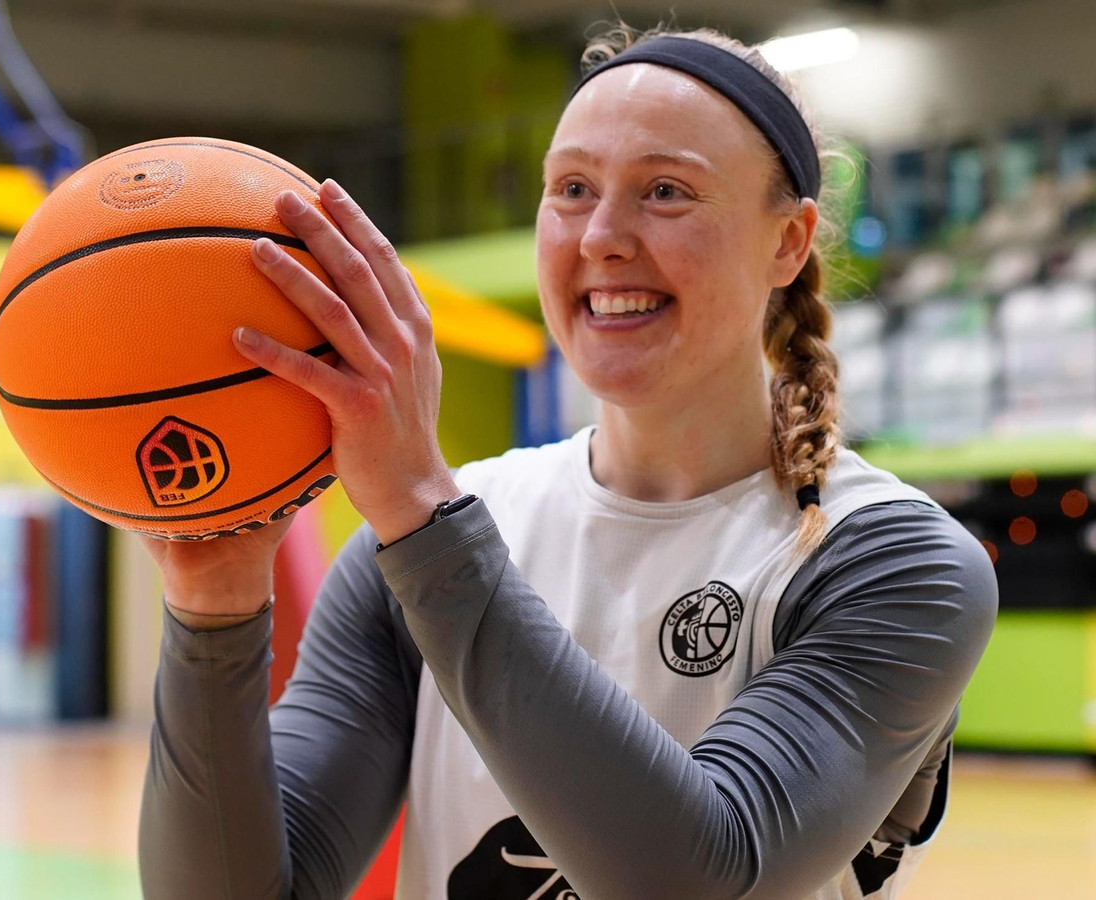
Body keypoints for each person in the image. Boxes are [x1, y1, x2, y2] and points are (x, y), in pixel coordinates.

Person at [136, 23, 1000, 900]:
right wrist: (213, 605)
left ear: (787, 241)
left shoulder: (894, 562)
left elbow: (700, 880)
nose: (601, 237)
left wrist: (419, 512)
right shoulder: (411, 551)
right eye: (572, 188)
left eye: (666, 191)